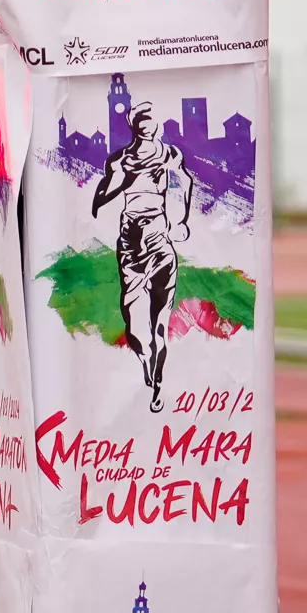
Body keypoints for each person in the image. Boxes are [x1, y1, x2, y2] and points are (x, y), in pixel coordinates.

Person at [91, 101, 192, 412]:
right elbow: (101, 197)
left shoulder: (170, 154)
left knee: (160, 322)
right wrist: (124, 183)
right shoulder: (120, 160)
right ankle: (147, 365)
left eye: (151, 120)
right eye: (142, 120)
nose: (147, 125)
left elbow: (185, 182)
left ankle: (158, 382)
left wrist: (181, 220)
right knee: (136, 326)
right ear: (134, 125)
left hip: (160, 241)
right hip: (131, 246)